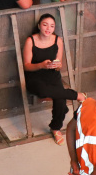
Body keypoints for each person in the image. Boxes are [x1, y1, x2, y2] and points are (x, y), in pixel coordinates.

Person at [23, 14, 85, 144]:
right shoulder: (31, 40)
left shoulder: (58, 40)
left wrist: (56, 65)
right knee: (44, 92)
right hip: (35, 76)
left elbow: (59, 64)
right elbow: (27, 66)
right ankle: (77, 95)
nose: (48, 28)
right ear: (39, 26)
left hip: (52, 74)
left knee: (60, 101)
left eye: (52, 26)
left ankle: (55, 128)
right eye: (45, 25)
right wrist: (41, 65)